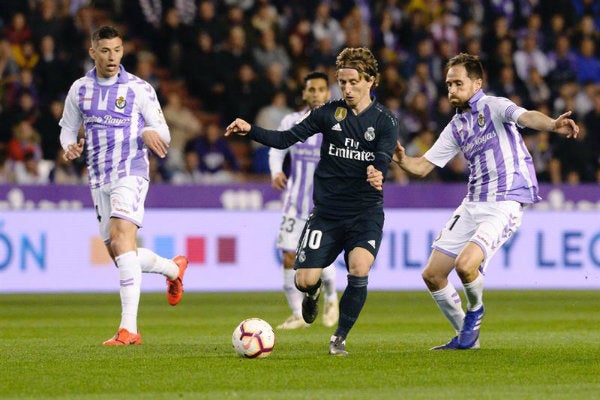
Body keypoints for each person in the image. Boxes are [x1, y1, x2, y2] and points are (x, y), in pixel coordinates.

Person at [391, 53, 580, 350]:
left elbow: (526, 115)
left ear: (477, 83)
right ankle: (467, 338)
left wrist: (553, 125)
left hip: (504, 201)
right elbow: (423, 167)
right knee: (432, 274)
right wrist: (401, 160)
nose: (451, 89)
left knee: (467, 266)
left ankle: (476, 309)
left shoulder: (493, 105)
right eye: (448, 84)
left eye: (458, 83)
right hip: (473, 203)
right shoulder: (456, 126)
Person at [226, 47, 399, 355]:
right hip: (326, 214)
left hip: (364, 212)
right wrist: (250, 129)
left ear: (370, 81)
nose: (345, 88)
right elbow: (284, 139)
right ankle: (314, 292)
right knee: (304, 279)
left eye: (352, 82)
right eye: (341, 82)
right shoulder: (328, 113)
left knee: (359, 268)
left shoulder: (385, 120)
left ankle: (339, 337)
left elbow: (384, 154)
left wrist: (377, 170)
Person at [59, 26, 188, 346]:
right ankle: (173, 269)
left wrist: (148, 133)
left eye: (117, 50)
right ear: (93, 52)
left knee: (121, 238)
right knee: (120, 254)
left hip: (130, 173)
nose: (112, 56)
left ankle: (128, 329)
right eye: (105, 51)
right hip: (98, 177)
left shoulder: (139, 89)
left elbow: (164, 132)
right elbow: (67, 129)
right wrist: (69, 147)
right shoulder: (80, 90)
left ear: (122, 51)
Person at [268, 71, 338, 330]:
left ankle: (332, 298)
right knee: (288, 256)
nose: (316, 94)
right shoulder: (291, 120)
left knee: (319, 260)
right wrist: (276, 171)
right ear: (304, 93)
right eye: (312, 89)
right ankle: (298, 314)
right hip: (294, 203)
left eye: (321, 89)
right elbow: (277, 149)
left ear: (328, 94)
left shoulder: (337, 122)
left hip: (324, 204)